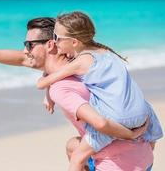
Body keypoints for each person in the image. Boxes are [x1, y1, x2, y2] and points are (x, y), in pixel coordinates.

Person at [0, 17, 155, 170]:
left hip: (119, 164)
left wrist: (130, 134)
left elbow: (100, 124)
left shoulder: (62, 87)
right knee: (72, 146)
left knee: (77, 156)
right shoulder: (79, 61)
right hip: (142, 157)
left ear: (52, 44)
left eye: (29, 45)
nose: (25, 51)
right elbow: (20, 59)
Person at [35, 12, 163, 170]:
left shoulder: (82, 61)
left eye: (57, 37)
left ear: (74, 42)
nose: (54, 42)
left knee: (77, 158)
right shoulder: (107, 53)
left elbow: (44, 81)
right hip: (143, 114)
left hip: (117, 119)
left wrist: (47, 90)